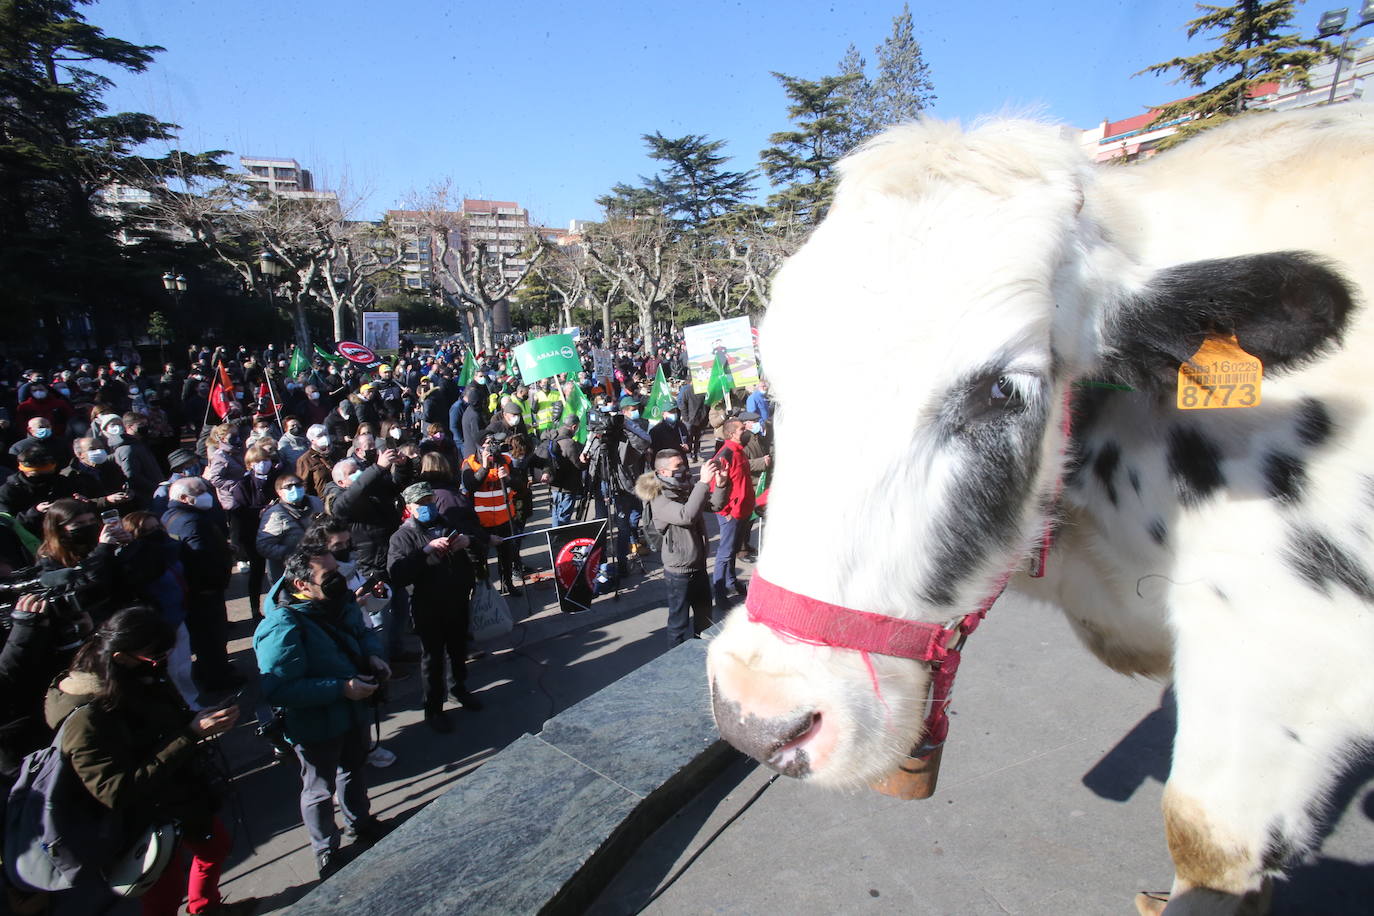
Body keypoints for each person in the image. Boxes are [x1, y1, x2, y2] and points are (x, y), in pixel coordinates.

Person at [45, 606, 257, 916]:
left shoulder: (139, 674)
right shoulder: (87, 717)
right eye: (156, 657)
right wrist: (189, 735)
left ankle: (205, 908)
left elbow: (160, 720)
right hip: (145, 819)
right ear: (120, 656)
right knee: (163, 894)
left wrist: (196, 720)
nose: (164, 662)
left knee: (215, 846)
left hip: (181, 797)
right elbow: (116, 790)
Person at [254, 545, 391, 879]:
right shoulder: (283, 624)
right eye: (328, 575)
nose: (338, 579)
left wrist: (373, 655)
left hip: (353, 709)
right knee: (318, 788)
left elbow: (362, 633)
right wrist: (339, 688)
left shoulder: (339, 602)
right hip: (316, 722)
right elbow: (279, 688)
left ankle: (360, 823)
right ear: (302, 585)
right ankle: (325, 850)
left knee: (353, 770)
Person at [387, 482, 483, 733]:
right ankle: (433, 708)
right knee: (433, 659)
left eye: (429, 500)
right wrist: (425, 551)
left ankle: (458, 690)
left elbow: (478, 541)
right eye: (421, 503)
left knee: (458, 649)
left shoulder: (447, 523)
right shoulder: (403, 536)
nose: (427, 506)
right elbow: (397, 574)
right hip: (427, 605)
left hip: (457, 598)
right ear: (409, 508)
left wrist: (468, 541)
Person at [636, 449, 727, 646]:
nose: (684, 468)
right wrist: (703, 482)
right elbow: (687, 516)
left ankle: (701, 658)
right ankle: (674, 664)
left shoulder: (684, 486)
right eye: (678, 466)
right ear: (663, 472)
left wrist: (720, 485)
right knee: (679, 624)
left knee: (705, 620)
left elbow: (714, 506)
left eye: (683, 463)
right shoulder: (658, 496)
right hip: (679, 572)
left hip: (699, 564)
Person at [162, 476, 242, 693]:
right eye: (199, 492)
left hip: (193, 589)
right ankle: (218, 678)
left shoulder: (171, 515)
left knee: (204, 636)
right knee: (212, 637)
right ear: (185, 498)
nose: (206, 495)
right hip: (205, 590)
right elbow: (200, 557)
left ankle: (210, 670)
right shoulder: (192, 521)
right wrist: (214, 578)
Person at [460, 431, 520, 595]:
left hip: (505, 518)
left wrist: (508, 478)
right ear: (480, 446)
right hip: (481, 522)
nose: (492, 447)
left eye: (494, 443)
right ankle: (485, 590)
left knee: (506, 557)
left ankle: (508, 583)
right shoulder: (470, 464)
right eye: (487, 443)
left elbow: (520, 486)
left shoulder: (506, 461)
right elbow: (470, 485)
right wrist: (485, 467)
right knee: (481, 559)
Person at [708, 417, 757, 610]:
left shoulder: (739, 451)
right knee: (725, 553)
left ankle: (731, 582)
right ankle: (720, 593)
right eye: (742, 429)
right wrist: (726, 511)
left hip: (743, 511)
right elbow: (714, 485)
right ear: (731, 434)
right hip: (732, 514)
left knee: (733, 550)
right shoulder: (726, 454)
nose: (746, 431)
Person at [256, 474, 323, 583]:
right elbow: (264, 546)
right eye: (289, 486)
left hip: (318, 564)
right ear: (279, 492)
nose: (294, 489)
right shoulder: (274, 515)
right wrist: (291, 553)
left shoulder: (316, 502)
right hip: (290, 572)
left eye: (298, 485)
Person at [544, 417, 586, 528]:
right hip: (567, 486)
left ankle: (555, 539)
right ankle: (560, 540)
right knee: (563, 517)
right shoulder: (569, 443)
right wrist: (585, 461)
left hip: (554, 484)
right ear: (574, 427)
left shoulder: (553, 435)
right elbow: (578, 465)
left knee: (556, 514)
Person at [296, 424, 334, 497]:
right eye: (319, 436)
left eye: (325, 434)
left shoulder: (336, 451)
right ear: (312, 440)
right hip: (323, 502)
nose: (324, 437)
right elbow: (304, 487)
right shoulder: (305, 460)